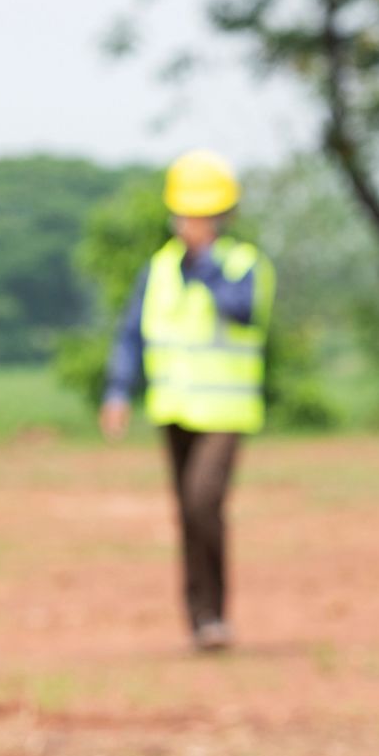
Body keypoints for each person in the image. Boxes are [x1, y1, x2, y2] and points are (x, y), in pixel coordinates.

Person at [100, 150, 276, 651]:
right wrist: (118, 391)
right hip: (174, 410)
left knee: (204, 502)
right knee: (187, 512)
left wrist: (208, 270)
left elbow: (243, 312)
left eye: (200, 215)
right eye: (184, 214)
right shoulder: (157, 270)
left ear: (221, 218)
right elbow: (131, 333)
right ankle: (200, 619)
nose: (190, 224)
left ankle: (216, 613)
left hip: (225, 413)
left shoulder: (242, 266)